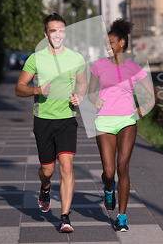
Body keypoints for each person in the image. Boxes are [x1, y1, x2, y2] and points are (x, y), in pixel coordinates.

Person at [15, 13, 87, 233]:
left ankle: (64, 217)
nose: (58, 34)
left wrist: (80, 96)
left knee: (67, 167)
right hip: (43, 120)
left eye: (61, 30)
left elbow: (83, 84)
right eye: (53, 31)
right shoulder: (36, 58)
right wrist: (36, 89)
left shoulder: (76, 58)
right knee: (47, 170)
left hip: (67, 119)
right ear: (46, 34)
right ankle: (45, 187)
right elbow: (19, 88)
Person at [88, 18, 155, 232]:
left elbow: (152, 95)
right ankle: (109, 188)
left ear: (122, 44)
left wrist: (144, 107)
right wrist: (93, 100)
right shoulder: (99, 65)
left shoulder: (134, 67)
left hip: (127, 120)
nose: (108, 46)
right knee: (109, 172)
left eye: (111, 43)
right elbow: (90, 92)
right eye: (107, 43)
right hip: (104, 121)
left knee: (122, 167)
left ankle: (122, 216)